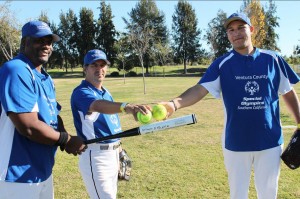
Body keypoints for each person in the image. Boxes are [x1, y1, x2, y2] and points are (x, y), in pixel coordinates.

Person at [161, 13, 300, 199]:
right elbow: (199, 90)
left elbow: (288, 92)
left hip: (270, 141)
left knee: (268, 195)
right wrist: (173, 104)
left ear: (251, 30)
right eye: (231, 30)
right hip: (236, 143)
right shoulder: (222, 64)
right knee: (238, 195)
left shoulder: (272, 59)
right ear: (227, 35)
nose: (236, 33)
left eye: (241, 28)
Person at [0, 21, 87, 199]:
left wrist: (63, 134)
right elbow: (29, 127)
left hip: (42, 171)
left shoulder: (45, 77)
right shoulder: (16, 69)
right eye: (40, 40)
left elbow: (53, 115)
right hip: (15, 174)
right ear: (25, 43)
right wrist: (66, 140)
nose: (46, 45)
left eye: (50, 41)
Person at [71, 49, 149, 199]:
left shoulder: (106, 92)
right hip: (96, 157)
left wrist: (119, 150)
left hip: (113, 155)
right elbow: (98, 106)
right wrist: (126, 107)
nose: (99, 69)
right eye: (94, 65)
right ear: (85, 69)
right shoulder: (81, 92)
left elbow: (110, 123)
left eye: (103, 65)